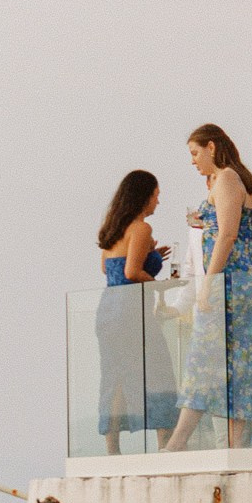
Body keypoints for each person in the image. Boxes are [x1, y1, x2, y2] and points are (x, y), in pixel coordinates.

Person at [164, 127, 252, 449]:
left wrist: (207, 282)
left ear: (212, 147)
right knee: (244, 362)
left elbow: (226, 234)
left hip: (228, 284)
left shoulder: (225, 178)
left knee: (204, 358)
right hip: (249, 281)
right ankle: (237, 447)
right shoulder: (246, 181)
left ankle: (178, 441)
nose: (194, 162)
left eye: (195, 153)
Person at [93, 172, 176, 453]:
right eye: (156, 195)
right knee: (158, 371)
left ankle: (112, 448)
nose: (158, 201)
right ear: (143, 197)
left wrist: (150, 254)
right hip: (131, 311)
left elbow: (109, 269)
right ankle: (166, 442)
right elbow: (132, 272)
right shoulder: (141, 228)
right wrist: (161, 285)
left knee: (114, 375)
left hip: (108, 308)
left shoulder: (113, 229)